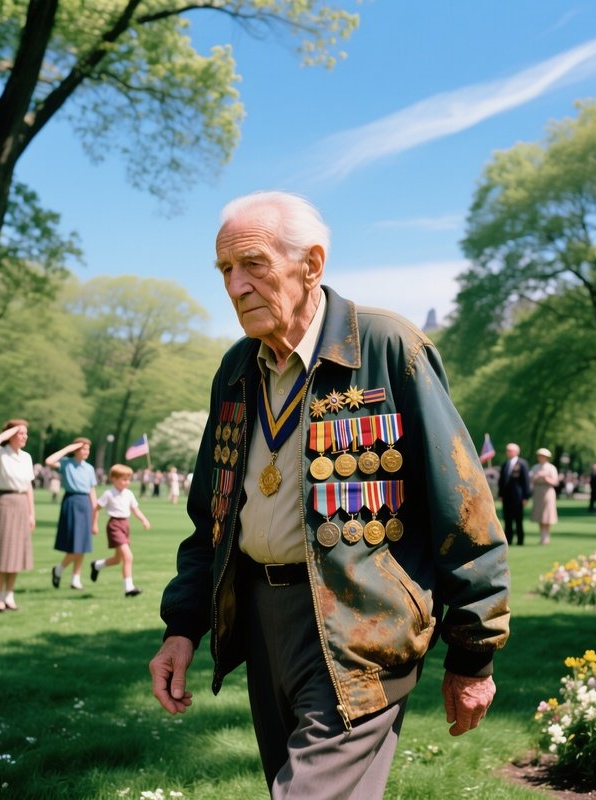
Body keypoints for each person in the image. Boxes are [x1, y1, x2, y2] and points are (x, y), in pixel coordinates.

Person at [149, 191, 511, 799]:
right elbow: (208, 521)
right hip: (262, 620)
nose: (236, 286)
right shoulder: (237, 368)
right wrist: (182, 626)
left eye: (254, 265)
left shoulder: (389, 347)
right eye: (225, 270)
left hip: (360, 624)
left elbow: (464, 505)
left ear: (312, 264)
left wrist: (473, 651)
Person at [0, 420, 36, 612]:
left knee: (17, 553)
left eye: (25, 433)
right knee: (4, 552)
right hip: (5, 502)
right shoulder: (0, 454)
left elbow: (28, 487)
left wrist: (31, 513)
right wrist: (2, 437)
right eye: (20, 433)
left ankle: (10, 595)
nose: (24, 437)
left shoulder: (26, 457)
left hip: (21, 505)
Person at [45, 438, 98, 591]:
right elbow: (49, 461)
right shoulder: (66, 463)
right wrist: (69, 448)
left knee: (83, 544)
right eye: (83, 449)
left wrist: (95, 515)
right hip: (71, 501)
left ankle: (75, 578)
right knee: (75, 543)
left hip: (85, 503)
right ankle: (59, 569)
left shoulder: (89, 468)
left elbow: (92, 492)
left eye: (88, 449)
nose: (86, 452)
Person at [91, 464, 151, 596]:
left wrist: (144, 520)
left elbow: (135, 510)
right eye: (123, 479)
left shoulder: (128, 494)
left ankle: (97, 565)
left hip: (125, 525)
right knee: (128, 557)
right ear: (113, 479)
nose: (127, 482)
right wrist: (94, 524)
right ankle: (129, 588)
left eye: (128, 479)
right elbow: (96, 508)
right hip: (114, 525)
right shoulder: (109, 493)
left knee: (118, 559)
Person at [498, 443, 531, 545]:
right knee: (507, 519)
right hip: (506, 497)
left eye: (510, 450)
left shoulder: (522, 464)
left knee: (518, 519)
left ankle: (520, 540)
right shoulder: (505, 464)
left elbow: (526, 481)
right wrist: (500, 494)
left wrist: (526, 496)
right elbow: (501, 481)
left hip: (518, 497)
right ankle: (508, 540)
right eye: (507, 450)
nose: (508, 452)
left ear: (516, 452)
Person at [529, 448, 559, 545]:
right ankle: (542, 535)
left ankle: (546, 535)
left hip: (548, 491)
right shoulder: (535, 467)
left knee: (547, 515)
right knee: (540, 514)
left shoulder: (551, 468)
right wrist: (537, 477)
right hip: (538, 492)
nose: (541, 458)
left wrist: (546, 478)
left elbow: (555, 482)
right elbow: (531, 479)